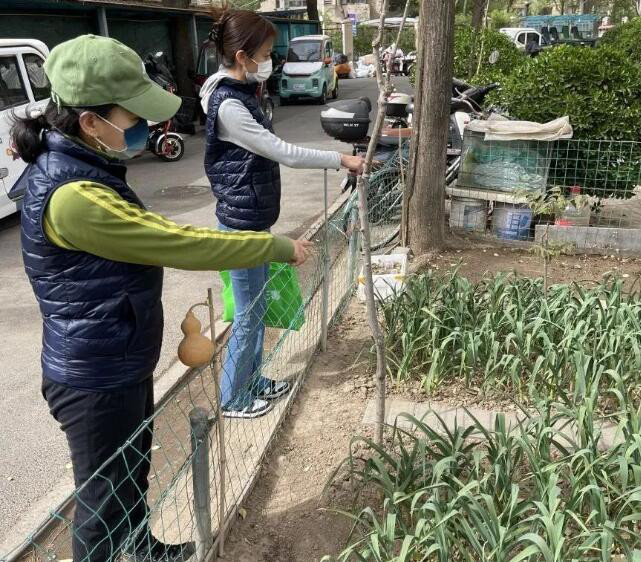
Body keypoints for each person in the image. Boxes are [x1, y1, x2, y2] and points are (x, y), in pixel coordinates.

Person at [11, 35, 312, 562]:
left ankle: (142, 548)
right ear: (90, 122)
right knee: (102, 501)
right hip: (94, 376)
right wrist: (273, 246)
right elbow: (178, 242)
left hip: (116, 357)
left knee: (131, 473)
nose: (143, 129)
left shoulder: (82, 166)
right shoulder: (75, 197)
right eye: (132, 117)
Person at [200, 7, 365, 420]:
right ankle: (234, 399)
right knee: (248, 315)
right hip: (240, 226)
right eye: (265, 53)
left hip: (253, 218)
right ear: (243, 56)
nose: (269, 61)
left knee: (256, 310)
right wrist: (339, 159)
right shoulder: (228, 105)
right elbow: (282, 152)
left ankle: (252, 381)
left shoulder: (241, 91)